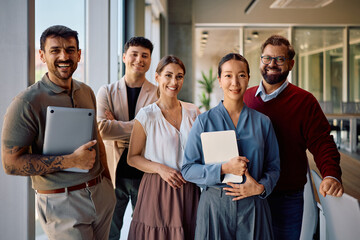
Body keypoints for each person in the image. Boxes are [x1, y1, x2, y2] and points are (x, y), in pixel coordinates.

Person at [1, 25, 115, 239]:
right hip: (62, 203)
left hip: (100, 194)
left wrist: (108, 185)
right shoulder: (26, 102)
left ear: (79, 54)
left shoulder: (86, 91)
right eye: (55, 50)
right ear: (42, 55)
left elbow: (97, 140)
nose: (64, 56)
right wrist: (72, 161)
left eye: (70, 50)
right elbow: (10, 164)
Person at [243, 35, 344, 240]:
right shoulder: (245, 98)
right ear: (260, 61)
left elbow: (322, 142)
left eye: (279, 59)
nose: (272, 64)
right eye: (267, 58)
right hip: (249, 194)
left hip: (286, 196)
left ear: (291, 63)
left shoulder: (304, 101)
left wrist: (331, 174)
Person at [182, 53, 280, 239]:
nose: (234, 82)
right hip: (214, 206)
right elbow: (188, 169)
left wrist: (261, 187)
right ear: (219, 80)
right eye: (228, 75)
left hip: (253, 204)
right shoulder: (204, 121)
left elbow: (274, 167)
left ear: (249, 79)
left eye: (241, 75)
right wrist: (223, 168)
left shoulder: (263, 122)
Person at [127, 55, 201, 240]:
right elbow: (133, 157)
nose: (174, 82)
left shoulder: (194, 112)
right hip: (158, 189)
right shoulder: (146, 115)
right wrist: (160, 169)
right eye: (168, 75)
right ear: (157, 77)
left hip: (189, 188)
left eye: (179, 76)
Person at [96, 36, 158, 239]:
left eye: (145, 56)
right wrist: (141, 129)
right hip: (113, 174)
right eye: (134, 54)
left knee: (145, 231)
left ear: (150, 60)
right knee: (110, 231)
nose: (139, 59)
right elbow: (102, 129)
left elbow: (157, 132)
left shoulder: (158, 93)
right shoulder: (106, 91)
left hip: (145, 173)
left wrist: (118, 127)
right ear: (124, 57)